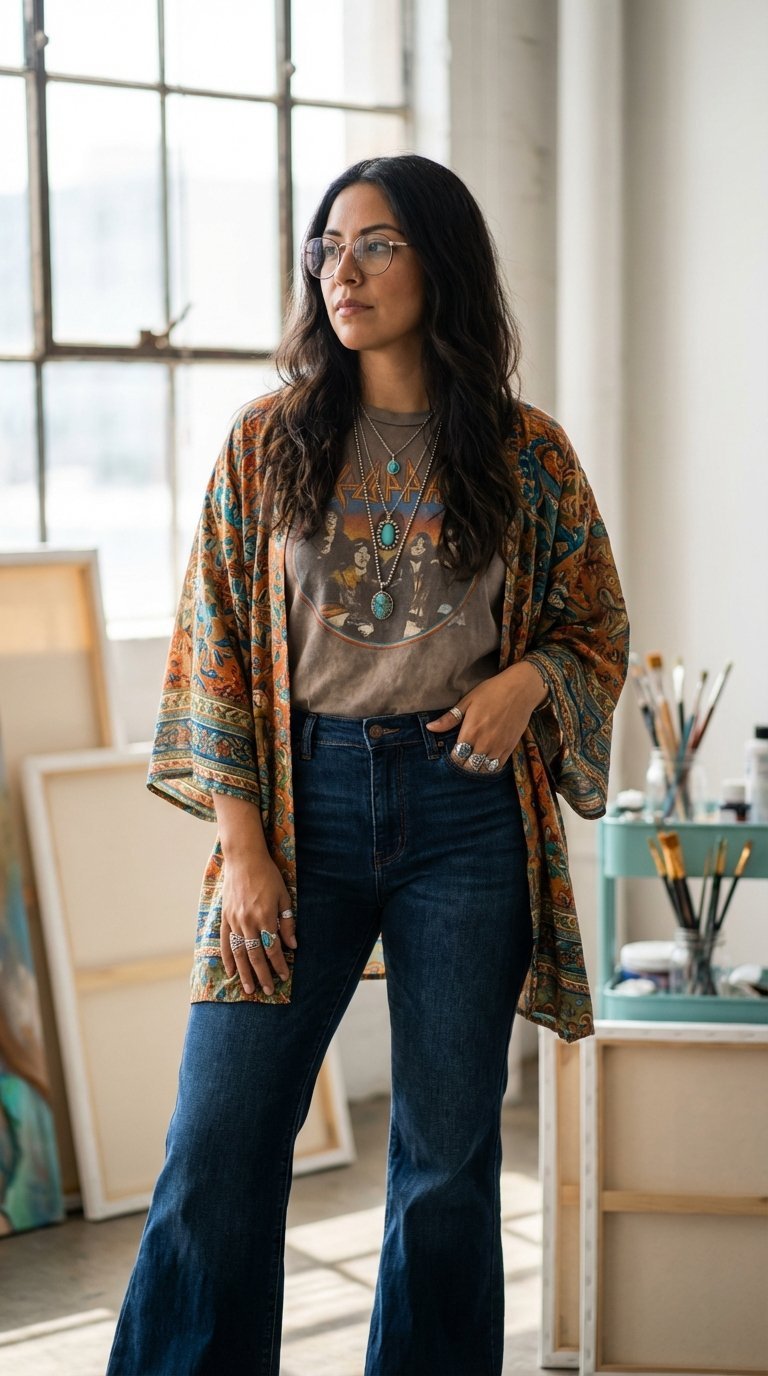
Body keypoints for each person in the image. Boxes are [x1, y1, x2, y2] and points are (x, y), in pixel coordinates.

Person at [107, 154, 629, 1376]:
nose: (344, 269)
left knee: (447, 1160)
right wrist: (242, 849)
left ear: (438, 260)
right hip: (300, 806)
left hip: (466, 816)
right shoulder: (267, 442)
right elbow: (216, 649)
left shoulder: (526, 452)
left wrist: (526, 679)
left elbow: (595, 623)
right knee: (220, 1138)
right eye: (328, 247)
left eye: (377, 244)